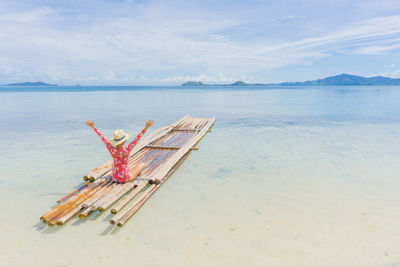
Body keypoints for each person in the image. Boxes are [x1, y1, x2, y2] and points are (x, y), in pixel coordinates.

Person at [86, 119, 154, 183]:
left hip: (115, 177)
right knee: (141, 165)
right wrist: (146, 128)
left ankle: (120, 173)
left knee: (114, 164)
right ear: (124, 141)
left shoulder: (111, 149)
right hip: (125, 178)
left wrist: (94, 127)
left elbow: (102, 138)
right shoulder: (127, 149)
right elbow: (137, 138)